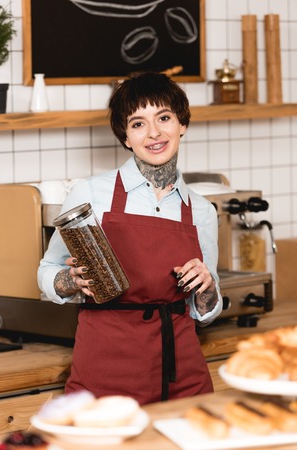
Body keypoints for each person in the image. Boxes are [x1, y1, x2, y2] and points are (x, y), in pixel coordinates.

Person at [38, 71, 223, 405]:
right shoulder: (91, 194)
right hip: (106, 367)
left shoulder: (201, 210)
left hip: (182, 371)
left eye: (164, 118)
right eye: (138, 124)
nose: (154, 133)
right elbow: (47, 270)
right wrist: (71, 280)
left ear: (182, 123)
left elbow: (204, 312)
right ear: (125, 136)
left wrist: (208, 288)